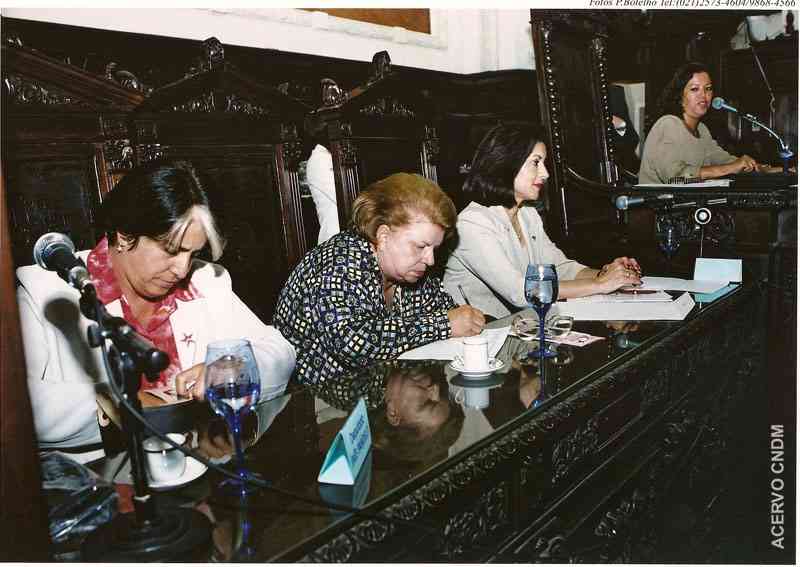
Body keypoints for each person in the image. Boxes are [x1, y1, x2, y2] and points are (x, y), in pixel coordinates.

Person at [16, 160, 296, 461]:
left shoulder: (206, 282)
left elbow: (281, 352)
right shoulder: (43, 293)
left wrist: (235, 369)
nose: (182, 268)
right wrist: (125, 405)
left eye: (194, 253)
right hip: (99, 482)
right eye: (172, 250)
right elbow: (14, 405)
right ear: (124, 236)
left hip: (196, 476)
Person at [274, 172, 485, 385]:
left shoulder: (409, 270)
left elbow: (445, 311)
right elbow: (354, 344)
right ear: (383, 237)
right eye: (420, 246)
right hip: (318, 405)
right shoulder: (339, 264)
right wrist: (444, 325)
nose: (430, 260)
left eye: (434, 248)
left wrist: (462, 320)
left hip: (383, 390)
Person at [443, 124, 642, 320]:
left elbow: (561, 268)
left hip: (516, 330)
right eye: (536, 162)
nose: (545, 174)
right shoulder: (471, 224)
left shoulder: (528, 215)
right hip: (475, 340)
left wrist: (608, 274)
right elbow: (522, 292)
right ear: (506, 163)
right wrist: (601, 284)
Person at [638, 61, 777, 184]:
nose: (703, 95)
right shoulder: (668, 124)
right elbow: (675, 177)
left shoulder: (702, 130)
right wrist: (731, 167)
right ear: (680, 96)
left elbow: (727, 162)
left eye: (708, 89)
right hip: (655, 210)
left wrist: (776, 169)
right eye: (694, 89)